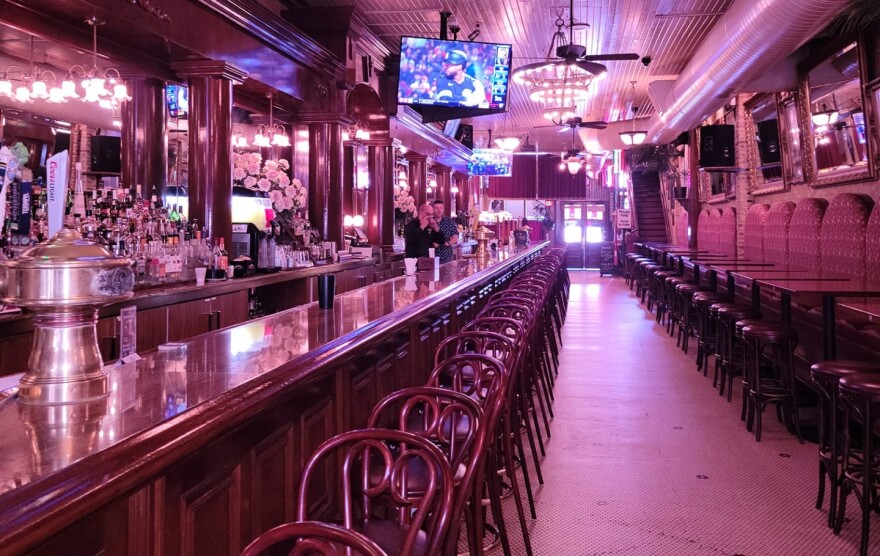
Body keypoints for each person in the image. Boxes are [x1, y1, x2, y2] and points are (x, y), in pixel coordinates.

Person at [432, 199, 458, 263]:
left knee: (447, 273)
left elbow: (455, 238)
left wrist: (446, 243)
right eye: (436, 208)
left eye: (441, 208)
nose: (439, 210)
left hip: (447, 256)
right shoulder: (429, 221)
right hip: (432, 257)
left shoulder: (449, 221)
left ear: (443, 209)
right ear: (433, 209)